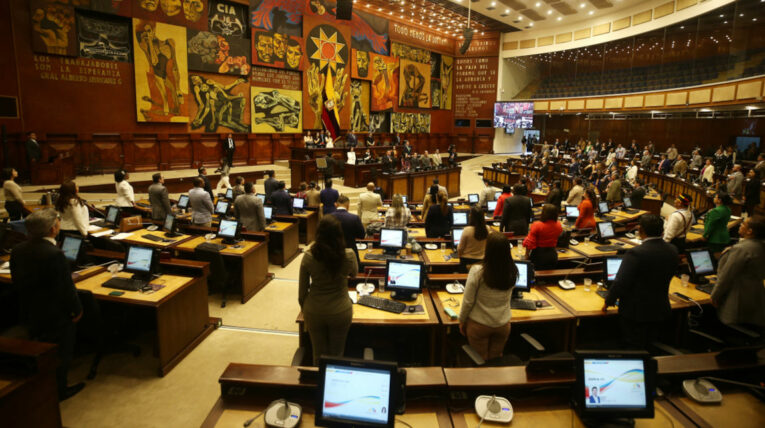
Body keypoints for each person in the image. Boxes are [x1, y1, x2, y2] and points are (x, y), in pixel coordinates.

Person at [11, 208, 84, 400]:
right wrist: (76, 311)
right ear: (53, 229)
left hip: (30, 311)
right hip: (56, 315)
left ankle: (44, 385)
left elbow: (16, 281)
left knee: (43, 347)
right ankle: (60, 390)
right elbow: (66, 288)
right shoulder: (54, 253)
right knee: (62, 354)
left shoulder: (18, 250)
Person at [603, 214, 678, 349]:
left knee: (633, 345)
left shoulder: (636, 253)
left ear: (640, 230)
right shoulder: (673, 250)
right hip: (661, 308)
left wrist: (609, 301)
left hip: (636, 312)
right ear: (662, 230)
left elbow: (621, 282)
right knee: (650, 343)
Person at [298, 216, 358, 365]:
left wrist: (306, 310)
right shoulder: (348, 254)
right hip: (340, 310)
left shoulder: (308, 256)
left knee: (318, 355)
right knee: (337, 355)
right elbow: (354, 274)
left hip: (314, 310)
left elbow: (301, 294)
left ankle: (318, 385)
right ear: (339, 234)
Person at [458, 232, 518, 361]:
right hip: (503, 324)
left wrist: (462, 320)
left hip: (479, 324)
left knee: (481, 361)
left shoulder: (477, 271)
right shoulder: (513, 270)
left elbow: (468, 301)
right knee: (496, 360)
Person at [711, 216, 765, 329]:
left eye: (743, 224)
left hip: (737, 301)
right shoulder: (760, 246)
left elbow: (726, 276)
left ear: (750, 231)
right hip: (755, 298)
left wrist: (715, 295)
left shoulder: (741, 249)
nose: (740, 225)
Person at [523, 204, 563, 270]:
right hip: (552, 255)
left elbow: (529, 243)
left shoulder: (537, 225)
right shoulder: (559, 225)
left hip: (538, 255)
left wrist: (526, 255)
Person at [331, 194, 365, 263]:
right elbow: (362, 236)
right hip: (350, 253)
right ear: (348, 206)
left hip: (332, 253)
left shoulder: (328, 217)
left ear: (336, 205)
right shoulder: (354, 218)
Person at [457, 206, 491, 272]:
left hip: (466, 262)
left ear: (472, 217)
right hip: (482, 262)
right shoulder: (487, 228)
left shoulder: (467, 230)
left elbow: (460, 249)